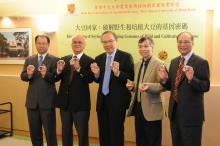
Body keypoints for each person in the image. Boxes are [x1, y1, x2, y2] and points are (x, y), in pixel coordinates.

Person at [157, 32, 210, 146]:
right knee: (177, 143)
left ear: (193, 43)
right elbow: (172, 86)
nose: (183, 44)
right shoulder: (174, 61)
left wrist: (192, 79)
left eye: (186, 42)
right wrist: (164, 79)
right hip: (174, 113)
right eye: (180, 42)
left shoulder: (201, 62)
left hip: (191, 115)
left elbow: (205, 86)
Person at [90, 31, 134, 146]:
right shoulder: (99, 58)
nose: (108, 44)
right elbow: (98, 80)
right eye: (104, 42)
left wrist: (118, 73)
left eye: (110, 41)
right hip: (102, 102)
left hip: (117, 102)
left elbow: (130, 77)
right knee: (103, 133)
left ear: (116, 41)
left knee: (116, 133)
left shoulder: (125, 56)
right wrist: (97, 74)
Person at [126, 37, 166, 146]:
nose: (142, 49)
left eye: (146, 46)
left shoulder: (160, 64)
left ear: (152, 47)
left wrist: (149, 87)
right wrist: (132, 87)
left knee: (153, 141)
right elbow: (138, 86)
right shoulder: (136, 65)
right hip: (138, 107)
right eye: (140, 46)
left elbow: (164, 86)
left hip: (152, 109)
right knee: (140, 139)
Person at [55, 35, 94, 146]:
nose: (77, 44)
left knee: (82, 134)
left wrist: (78, 68)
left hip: (81, 105)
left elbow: (90, 79)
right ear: (71, 44)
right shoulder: (64, 59)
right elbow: (56, 78)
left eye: (80, 42)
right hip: (65, 103)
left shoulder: (90, 61)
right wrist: (58, 71)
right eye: (75, 42)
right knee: (66, 133)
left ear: (84, 45)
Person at [20, 35, 58, 146]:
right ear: (35, 44)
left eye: (44, 43)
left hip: (48, 102)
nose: (41, 45)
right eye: (39, 43)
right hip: (32, 102)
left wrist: (46, 74)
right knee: (34, 132)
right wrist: (29, 74)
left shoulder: (55, 59)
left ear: (48, 45)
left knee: (50, 132)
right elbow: (23, 76)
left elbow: (55, 78)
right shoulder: (29, 59)